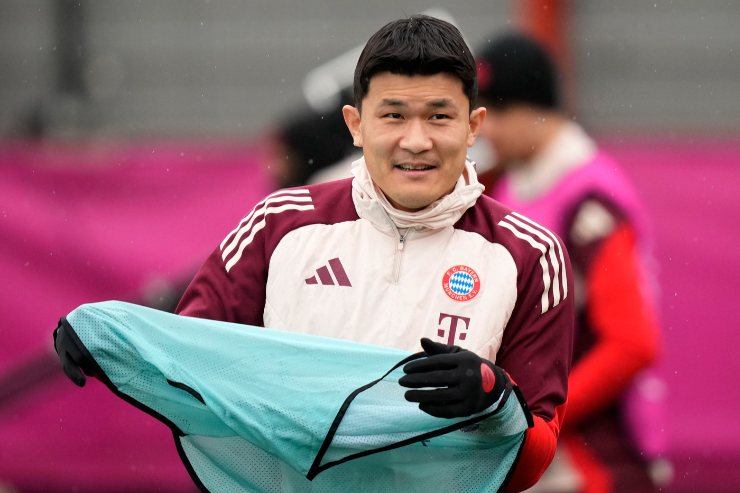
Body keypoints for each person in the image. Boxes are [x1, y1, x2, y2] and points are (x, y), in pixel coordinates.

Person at [57, 16, 574, 492]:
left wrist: (494, 399)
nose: (416, 141)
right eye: (393, 115)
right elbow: (192, 365)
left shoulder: (530, 255)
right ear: (356, 124)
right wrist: (107, 335)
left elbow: (538, 452)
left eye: (439, 116)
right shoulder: (279, 225)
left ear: (473, 126)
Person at [476, 33, 662, 492]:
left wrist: (533, 415)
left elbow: (631, 344)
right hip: (545, 452)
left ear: (538, 108)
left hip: (596, 459)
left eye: (499, 110)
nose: (486, 128)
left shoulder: (589, 201)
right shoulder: (511, 184)